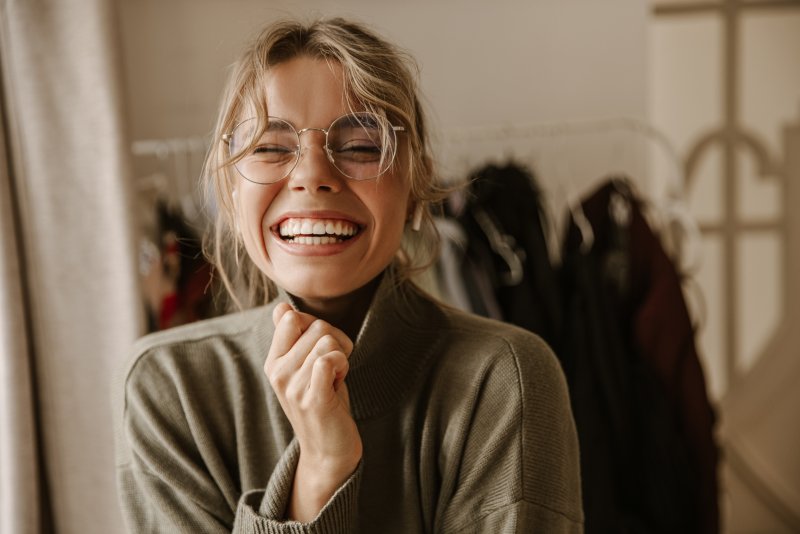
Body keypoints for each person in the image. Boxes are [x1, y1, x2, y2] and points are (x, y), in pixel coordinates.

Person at [114, 17, 583, 533]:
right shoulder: (169, 387)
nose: (313, 177)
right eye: (270, 148)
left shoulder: (503, 376)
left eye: (361, 146)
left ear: (416, 184)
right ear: (229, 191)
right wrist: (319, 466)